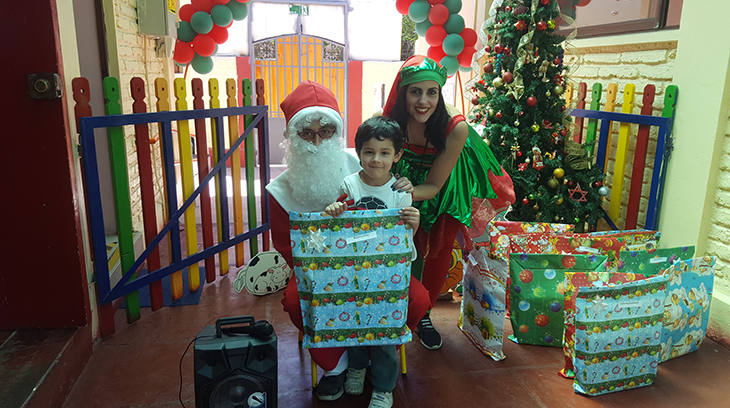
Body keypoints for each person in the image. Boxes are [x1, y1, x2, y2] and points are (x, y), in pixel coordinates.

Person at [267, 81, 429, 402]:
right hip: (315, 269)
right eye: (306, 133)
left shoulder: (365, 163)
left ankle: (374, 349)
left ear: (337, 132)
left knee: (418, 298)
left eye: (325, 131)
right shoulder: (278, 190)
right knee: (295, 302)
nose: (317, 141)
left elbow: (394, 208)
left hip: (377, 264)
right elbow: (287, 246)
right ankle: (336, 365)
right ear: (292, 136)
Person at [382, 56, 515, 350]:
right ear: (402, 93)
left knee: (438, 250)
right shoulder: (388, 121)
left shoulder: (454, 128)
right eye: (415, 92)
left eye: (432, 92)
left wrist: (407, 192)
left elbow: (433, 185)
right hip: (406, 178)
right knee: (401, 242)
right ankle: (395, 306)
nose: (424, 101)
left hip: (446, 181)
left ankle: (424, 314)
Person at [324, 115, 419, 408]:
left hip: (387, 275)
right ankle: (357, 366)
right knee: (351, 320)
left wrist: (414, 225)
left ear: (397, 155)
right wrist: (333, 211)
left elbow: (404, 242)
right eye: (369, 152)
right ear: (359, 152)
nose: (376, 159)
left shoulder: (400, 192)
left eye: (385, 152)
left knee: (385, 330)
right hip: (352, 271)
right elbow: (335, 230)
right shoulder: (349, 184)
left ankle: (384, 386)